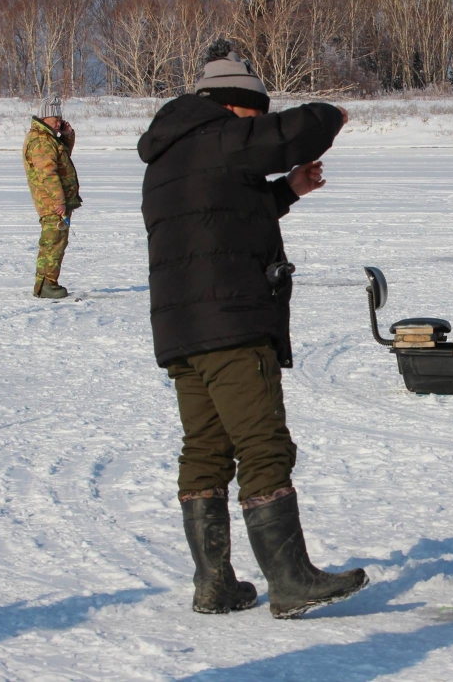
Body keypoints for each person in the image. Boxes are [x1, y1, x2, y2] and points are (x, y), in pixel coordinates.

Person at [137, 38, 368, 618]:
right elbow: (290, 133)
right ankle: (290, 582)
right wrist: (330, 114)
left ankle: (214, 585)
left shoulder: (173, 152)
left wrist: (286, 191)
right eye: (256, 110)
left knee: (206, 450)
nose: (260, 120)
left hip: (182, 332)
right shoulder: (221, 134)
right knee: (264, 445)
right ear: (236, 104)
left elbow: (222, 215)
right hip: (232, 324)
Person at [23, 94, 82, 299]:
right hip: (51, 204)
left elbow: (64, 156)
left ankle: (47, 283)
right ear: (44, 119)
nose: (59, 121)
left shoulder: (49, 139)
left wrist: (67, 134)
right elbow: (47, 173)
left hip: (56, 203)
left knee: (57, 241)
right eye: (55, 119)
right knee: (52, 242)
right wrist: (59, 201)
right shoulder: (40, 141)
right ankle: (45, 285)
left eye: (60, 118)